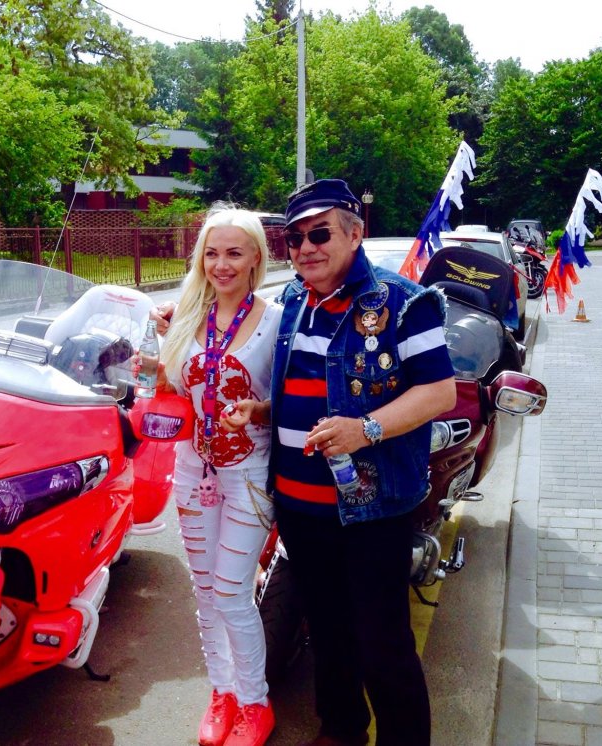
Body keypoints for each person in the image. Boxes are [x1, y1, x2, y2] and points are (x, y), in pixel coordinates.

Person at [228, 179, 456, 746]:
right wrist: (261, 411)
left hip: (370, 511)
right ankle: (342, 728)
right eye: (295, 238)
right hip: (298, 507)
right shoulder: (291, 302)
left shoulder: (403, 303)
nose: (306, 247)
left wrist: (365, 429)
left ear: (355, 234)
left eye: (320, 234)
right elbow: (296, 385)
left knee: (383, 644)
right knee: (328, 629)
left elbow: (439, 392)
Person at [145, 204, 280, 746]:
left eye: (234, 253)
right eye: (212, 253)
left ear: (255, 260)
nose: (222, 264)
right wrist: (145, 358)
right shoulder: (185, 317)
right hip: (192, 470)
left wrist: (258, 411)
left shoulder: (276, 321)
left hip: (249, 474)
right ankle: (222, 693)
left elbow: (293, 399)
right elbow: (170, 387)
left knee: (230, 592)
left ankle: (255, 703)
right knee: (204, 592)